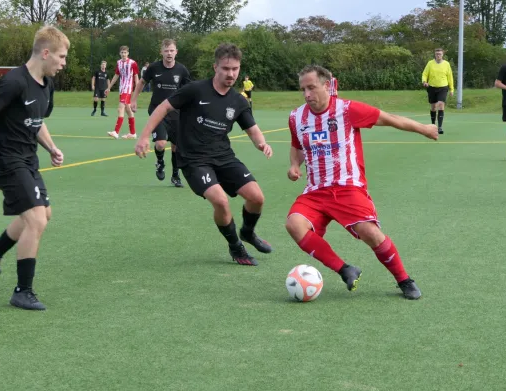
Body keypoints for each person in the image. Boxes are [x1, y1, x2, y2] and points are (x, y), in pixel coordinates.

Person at [286, 65, 439, 300]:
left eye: (311, 88)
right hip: (315, 192)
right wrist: (295, 165)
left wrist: (424, 129)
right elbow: (297, 146)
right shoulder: (296, 117)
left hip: (348, 188)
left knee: (370, 233)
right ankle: (345, 269)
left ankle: (404, 280)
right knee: (294, 224)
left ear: (327, 86)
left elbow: (389, 119)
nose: (307, 94)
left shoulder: (347, 110)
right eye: (303, 89)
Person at [135, 43, 273, 266]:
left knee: (257, 198)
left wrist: (262, 144)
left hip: (224, 157)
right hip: (194, 160)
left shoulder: (238, 100)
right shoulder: (195, 90)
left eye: (235, 69)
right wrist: (143, 136)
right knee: (220, 201)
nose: (231, 74)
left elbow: (251, 128)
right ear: (215, 67)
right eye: (226, 68)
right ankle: (235, 245)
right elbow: (163, 107)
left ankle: (248, 232)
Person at [0, 26, 69, 310]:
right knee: (36, 219)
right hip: (6, 161)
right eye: (61, 57)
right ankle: (22, 291)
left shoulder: (46, 85)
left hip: (27, 159)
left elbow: (36, 121)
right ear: (46, 53)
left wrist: (51, 147)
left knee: (44, 214)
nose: (64, 63)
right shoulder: (14, 81)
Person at [131, 39, 192, 187]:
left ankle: (175, 175)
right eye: (166, 51)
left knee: (176, 146)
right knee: (160, 143)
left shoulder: (182, 70)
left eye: (171, 50)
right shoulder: (154, 68)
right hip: (156, 111)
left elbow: (189, 91)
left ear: (176, 52)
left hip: (176, 112)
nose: (169, 53)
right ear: (161, 52)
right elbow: (141, 83)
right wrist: (134, 100)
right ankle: (160, 162)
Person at [106, 46, 139, 139]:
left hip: (128, 89)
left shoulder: (133, 63)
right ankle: (133, 133)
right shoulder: (119, 63)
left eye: (125, 52)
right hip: (122, 89)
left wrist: (137, 89)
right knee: (128, 110)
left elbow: (136, 76)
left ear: (128, 53)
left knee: (120, 109)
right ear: (120, 53)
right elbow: (116, 75)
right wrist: (109, 87)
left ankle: (116, 132)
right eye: (122, 52)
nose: (123, 54)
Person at [422, 48, 454, 134]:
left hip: (443, 87)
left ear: (442, 54)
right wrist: (424, 81)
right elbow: (425, 74)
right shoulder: (430, 63)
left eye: (440, 54)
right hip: (432, 87)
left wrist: (451, 89)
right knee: (433, 107)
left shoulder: (446, 64)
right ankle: (433, 125)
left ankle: (440, 127)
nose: (438, 55)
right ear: (435, 55)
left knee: (440, 104)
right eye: (437, 54)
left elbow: (450, 77)